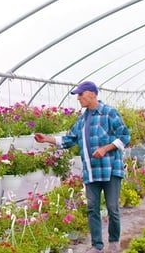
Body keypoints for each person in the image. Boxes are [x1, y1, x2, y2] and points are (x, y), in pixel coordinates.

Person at [34, 81, 130, 253]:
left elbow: (125, 136)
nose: (78, 98)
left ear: (92, 94)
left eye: (80, 94)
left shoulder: (109, 113)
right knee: (92, 208)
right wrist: (47, 139)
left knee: (113, 208)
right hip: (91, 172)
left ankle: (114, 243)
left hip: (110, 170)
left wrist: (105, 148)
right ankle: (97, 246)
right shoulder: (83, 119)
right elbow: (69, 139)